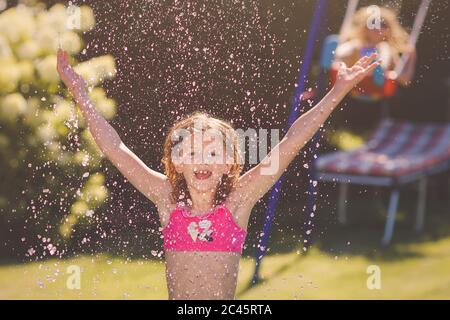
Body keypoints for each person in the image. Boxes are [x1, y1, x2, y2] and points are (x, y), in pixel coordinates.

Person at [56, 48, 380, 299]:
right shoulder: (166, 199)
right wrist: (81, 94)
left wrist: (338, 91)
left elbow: (292, 141)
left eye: (213, 153)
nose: (203, 161)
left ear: (229, 163)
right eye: (192, 152)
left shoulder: (238, 201)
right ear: (177, 162)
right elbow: (115, 149)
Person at [334, 6, 417, 134]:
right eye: (372, 24)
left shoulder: (388, 51)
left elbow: (405, 79)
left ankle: (376, 72)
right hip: (353, 96)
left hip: (376, 101)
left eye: (382, 25)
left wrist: (411, 58)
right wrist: (342, 57)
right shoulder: (356, 46)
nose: (377, 29)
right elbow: (340, 56)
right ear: (365, 28)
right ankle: (372, 71)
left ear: (388, 30)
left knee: (381, 61)